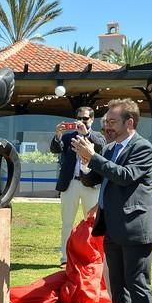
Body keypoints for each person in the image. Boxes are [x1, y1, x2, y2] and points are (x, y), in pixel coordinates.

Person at [74, 98, 152, 303]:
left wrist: (94, 157)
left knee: (138, 288)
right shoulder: (110, 148)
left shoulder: (142, 147)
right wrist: (85, 162)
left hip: (135, 230)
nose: (107, 127)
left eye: (112, 122)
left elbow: (124, 176)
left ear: (129, 122)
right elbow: (92, 179)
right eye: (105, 122)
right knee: (119, 288)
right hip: (111, 227)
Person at [51, 106, 106, 267]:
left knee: (92, 222)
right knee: (67, 222)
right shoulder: (69, 137)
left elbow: (101, 146)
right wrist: (58, 135)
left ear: (92, 120)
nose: (82, 122)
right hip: (71, 184)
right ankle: (65, 258)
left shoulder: (97, 137)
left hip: (90, 184)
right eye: (80, 118)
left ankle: (92, 256)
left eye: (86, 118)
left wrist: (86, 135)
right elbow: (55, 149)